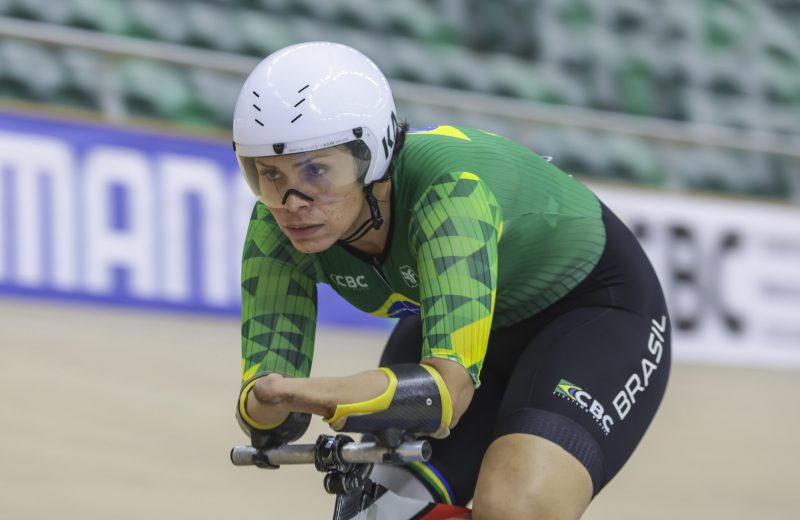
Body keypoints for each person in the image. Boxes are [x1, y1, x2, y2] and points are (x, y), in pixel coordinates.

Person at [232, 41, 671, 520]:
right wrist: (271, 401)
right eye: (268, 175)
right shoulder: (273, 227)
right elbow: (270, 420)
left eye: (316, 170)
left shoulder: (449, 191)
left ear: (372, 156)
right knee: (373, 515)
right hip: (472, 317)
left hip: (592, 313)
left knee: (513, 510)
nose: (293, 202)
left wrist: (315, 394)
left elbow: (443, 396)